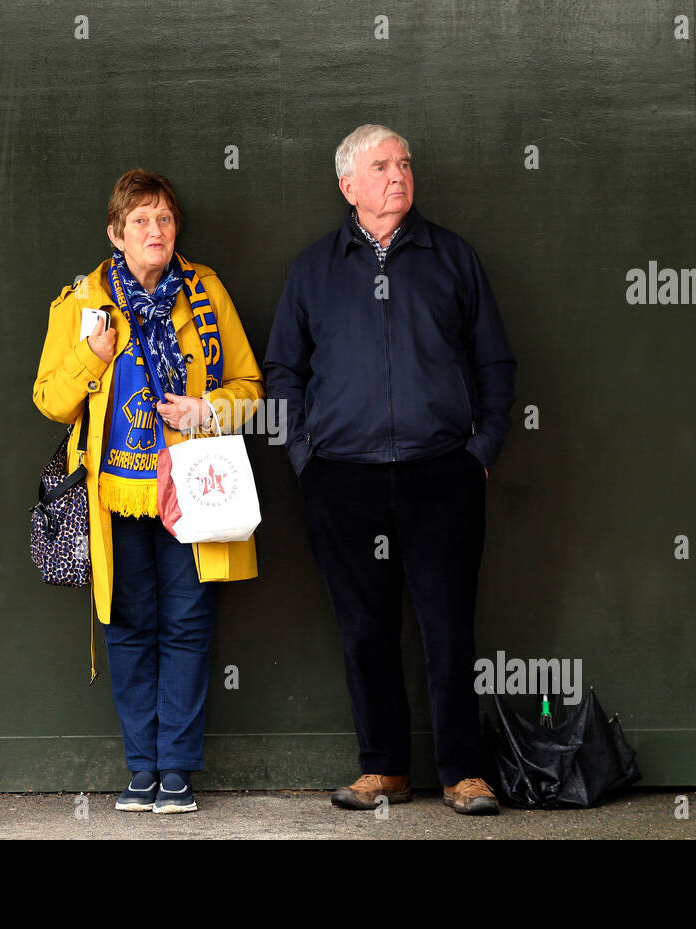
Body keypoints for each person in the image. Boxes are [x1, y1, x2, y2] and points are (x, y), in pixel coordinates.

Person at [263, 125, 517, 815]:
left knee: (448, 626)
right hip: (341, 478)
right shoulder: (313, 268)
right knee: (363, 626)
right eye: (381, 166)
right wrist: (303, 456)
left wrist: (482, 451)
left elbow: (495, 362)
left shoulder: (452, 258)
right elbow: (281, 371)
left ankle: (464, 771)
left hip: (443, 473)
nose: (398, 175)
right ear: (348, 186)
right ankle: (384, 768)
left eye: (404, 163)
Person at [33, 169, 264, 813]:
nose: (155, 231)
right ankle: (142, 770)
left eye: (163, 219)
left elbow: (251, 390)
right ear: (115, 233)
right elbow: (50, 400)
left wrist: (205, 410)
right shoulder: (84, 303)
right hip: (114, 499)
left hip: (193, 489)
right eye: (140, 221)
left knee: (188, 626)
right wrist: (94, 359)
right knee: (129, 627)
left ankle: (178, 773)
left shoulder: (205, 292)